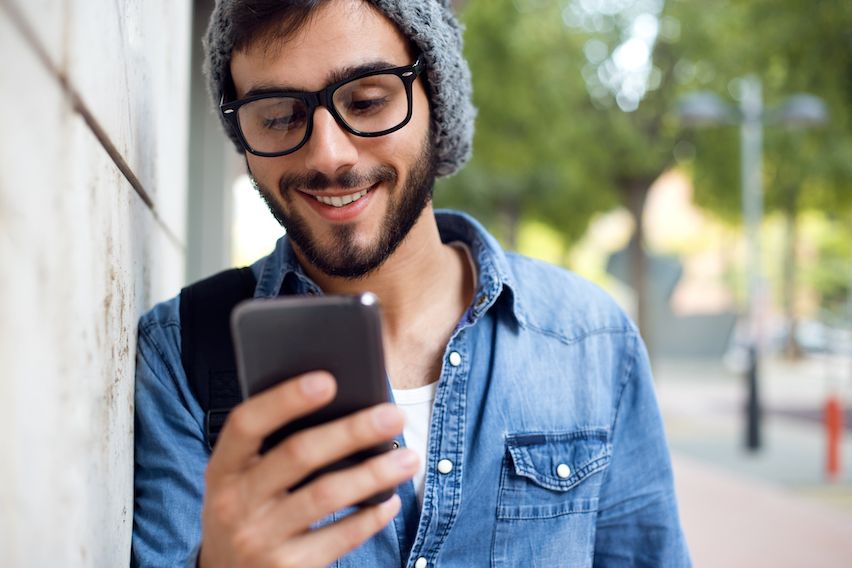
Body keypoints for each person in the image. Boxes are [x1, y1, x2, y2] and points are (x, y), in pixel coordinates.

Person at [132, 0, 692, 566]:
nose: (328, 155)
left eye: (367, 101)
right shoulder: (179, 352)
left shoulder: (590, 339)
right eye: (278, 116)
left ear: (436, 102)